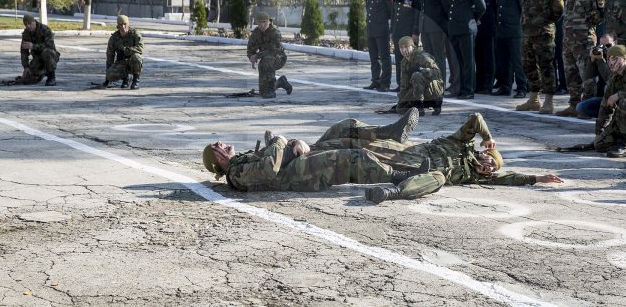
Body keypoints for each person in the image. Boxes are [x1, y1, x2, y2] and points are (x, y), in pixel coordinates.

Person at [202, 109, 563, 204]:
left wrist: (535, 177)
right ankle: (391, 183)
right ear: (217, 159)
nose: (224, 144)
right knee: (350, 154)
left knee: (345, 127)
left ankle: (387, 130)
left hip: (302, 161)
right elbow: (268, 169)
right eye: (219, 146)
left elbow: (504, 177)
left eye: (489, 168)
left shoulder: (473, 173)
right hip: (409, 161)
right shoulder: (236, 173)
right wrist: (283, 141)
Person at [555, 0, 605, 117]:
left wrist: (585, 25)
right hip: (569, 41)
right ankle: (574, 104)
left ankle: (586, 106)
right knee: (571, 74)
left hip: (584, 41)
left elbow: (601, 14)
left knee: (587, 75)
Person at [516, 0, 564, 114]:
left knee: (546, 67)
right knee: (529, 66)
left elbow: (558, 11)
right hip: (527, 35)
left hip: (543, 35)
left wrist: (543, 22)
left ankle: (549, 101)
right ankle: (534, 99)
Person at [447, 0, 486, 99]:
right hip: (454, 28)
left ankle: (468, 90)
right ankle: (461, 89)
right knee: (460, 61)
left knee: (468, 61)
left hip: (466, 28)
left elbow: (481, 7)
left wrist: (471, 19)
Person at [493, 0, 527, 99]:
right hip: (501, 32)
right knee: (503, 62)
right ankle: (505, 87)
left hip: (514, 32)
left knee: (517, 62)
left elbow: (523, 11)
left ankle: (521, 88)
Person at [418, 0, 450, 88]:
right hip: (425, 27)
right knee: (428, 57)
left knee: (438, 56)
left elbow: (446, 8)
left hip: (437, 27)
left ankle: (440, 83)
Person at [247, 12, 292, 99]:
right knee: (262, 91)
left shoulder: (275, 32)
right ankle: (280, 82)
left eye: (264, 22)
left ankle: (271, 90)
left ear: (269, 22)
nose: (262, 25)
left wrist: (257, 55)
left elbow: (273, 50)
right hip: (265, 58)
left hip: (279, 57)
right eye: (259, 22)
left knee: (266, 62)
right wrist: (252, 56)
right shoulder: (256, 33)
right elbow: (250, 49)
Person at [391, 0, 421, 92]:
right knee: (399, 59)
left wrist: (415, 32)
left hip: (409, 31)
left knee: (410, 59)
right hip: (398, 30)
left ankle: (411, 84)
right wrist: (392, 30)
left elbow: (417, 12)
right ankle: (401, 84)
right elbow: (394, 12)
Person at [395, 36, 444, 116]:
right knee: (400, 109)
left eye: (406, 47)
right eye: (401, 47)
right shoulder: (404, 62)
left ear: (412, 47)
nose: (404, 50)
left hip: (434, 89)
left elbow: (437, 73)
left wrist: (421, 70)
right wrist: (401, 101)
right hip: (419, 88)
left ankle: (427, 104)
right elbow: (404, 84)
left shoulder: (422, 57)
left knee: (416, 75)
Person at [364, 0, 392, 92]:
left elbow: (391, 11)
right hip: (371, 29)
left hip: (382, 29)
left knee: (384, 57)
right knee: (373, 57)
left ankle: (385, 83)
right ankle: (375, 81)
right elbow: (368, 10)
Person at [576, 34, 615, 118]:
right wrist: (592, 61)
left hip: (615, 98)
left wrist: (601, 61)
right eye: (602, 46)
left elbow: (610, 79)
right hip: (602, 98)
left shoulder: (619, 58)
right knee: (580, 107)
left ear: (615, 43)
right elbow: (587, 77)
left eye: (608, 45)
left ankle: (610, 113)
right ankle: (605, 112)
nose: (605, 48)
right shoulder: (600, 56)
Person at [102, 15, 144, 89]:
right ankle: (126, 80)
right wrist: (107, 78)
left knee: (137, 57)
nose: (123, 26)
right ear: (117, 26)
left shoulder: (135, 34)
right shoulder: (114, 38)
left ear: (128, 24)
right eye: (121, 24)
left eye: (125, 24)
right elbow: (110, 56)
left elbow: (140, 48)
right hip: (121, 63)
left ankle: (135, 81)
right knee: (110, 75)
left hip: (133, 61)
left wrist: (125, 51)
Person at [475, 0, 498, 94]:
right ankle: (479, 84)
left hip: (489, 29)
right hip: (477, 29)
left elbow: (495, 10)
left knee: (489, 58)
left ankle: (488, 85)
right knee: (478, 58)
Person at [19, 14, 59, 86]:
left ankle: (51, 77)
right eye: (26, 24)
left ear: (34, 22)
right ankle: (43, 72)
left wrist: (33, 46)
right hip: (37, 59)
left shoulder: (45, 30)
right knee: (27, 80)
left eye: (30, 23)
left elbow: (50, 45)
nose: (28, 26)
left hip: (50, 56)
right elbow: (24, 52)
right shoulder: (26, 34)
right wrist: (26, 67)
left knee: (47, 53)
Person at [548, 0, 569, 96]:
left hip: (561, 28)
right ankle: (553, 84)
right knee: (551, 58)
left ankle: (563, 85)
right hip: (549, 28)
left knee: (561, 58)